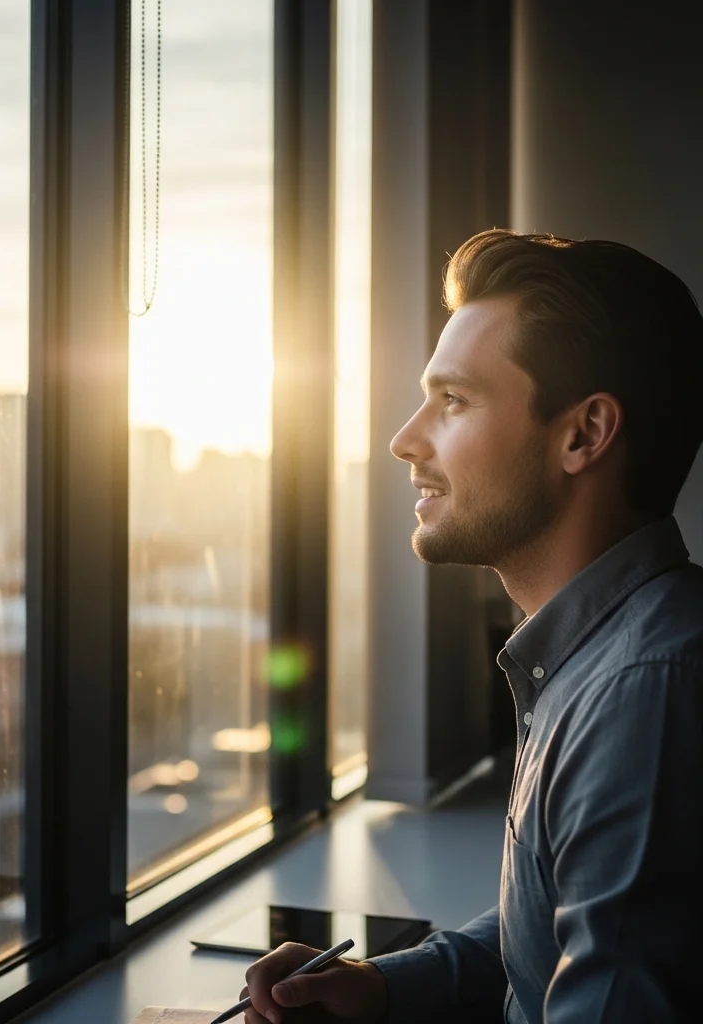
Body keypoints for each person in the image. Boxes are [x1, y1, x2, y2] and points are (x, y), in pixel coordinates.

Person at [241, 230, 703, 1023]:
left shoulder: (644, 695)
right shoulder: (593, 658)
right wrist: (382, 989)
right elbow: (557, 933)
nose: (404, 439)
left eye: (452, 400)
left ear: (583, 435)